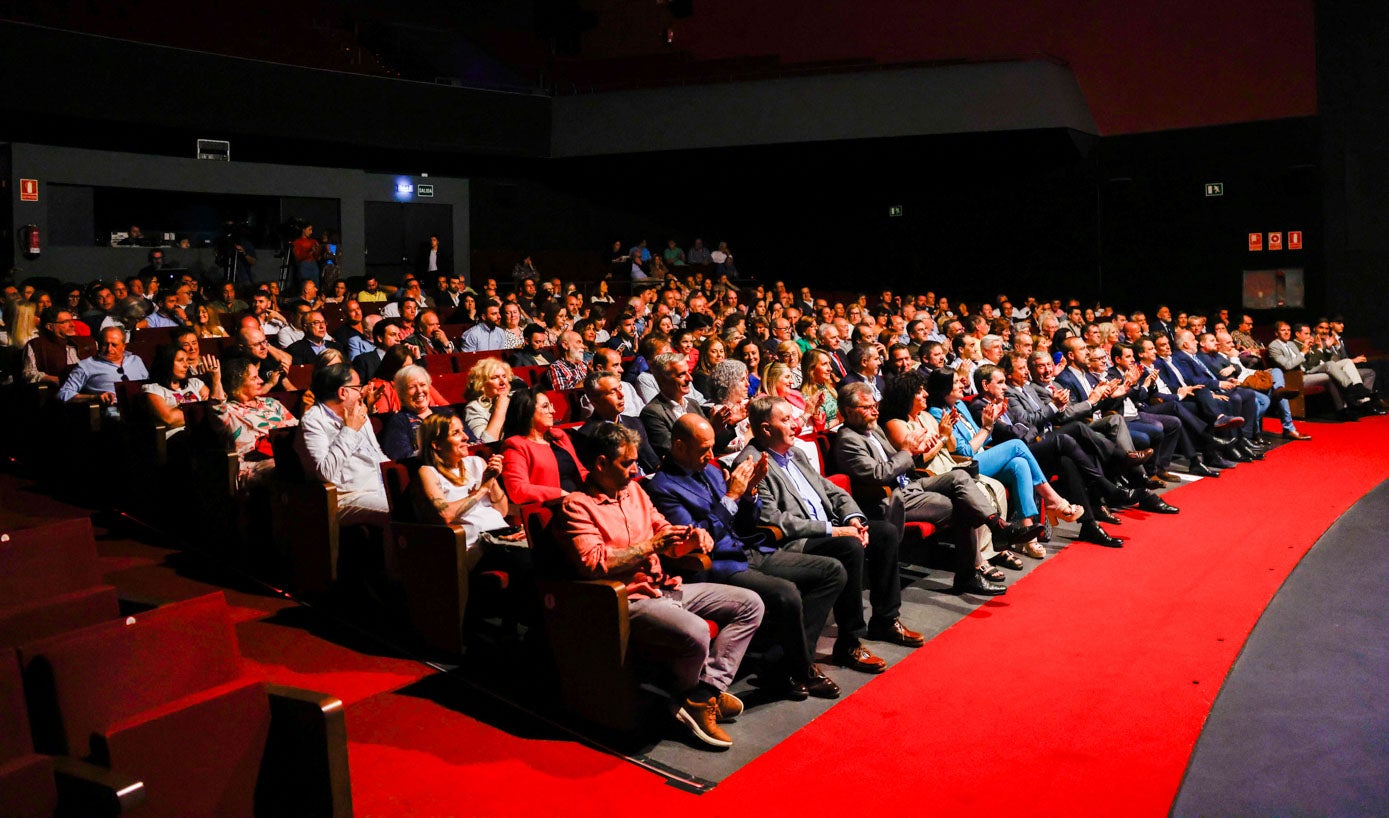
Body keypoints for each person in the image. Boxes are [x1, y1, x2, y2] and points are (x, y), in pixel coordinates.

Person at [552, 422, 764, 749]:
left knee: (750, 604)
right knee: (695, 631)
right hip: (626, 600)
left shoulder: (636, 491)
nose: (636, 469)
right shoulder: (577, 506)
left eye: (636, 460)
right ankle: (690, 698)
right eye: (627, 463)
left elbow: (666, 535)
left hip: (665, 587)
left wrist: (690, 538)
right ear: (601, 464)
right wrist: (651, 546)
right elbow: (595, 563)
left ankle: (702, 693)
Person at [646, 414, 845, 700]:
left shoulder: (711, 470)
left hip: (749, 549)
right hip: (719, 564)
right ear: (679, 446)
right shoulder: (663, 488)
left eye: (713, 447)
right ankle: (802, 669)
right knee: (786, 594)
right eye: (704, 449)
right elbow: (699, 540)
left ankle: (781, 663)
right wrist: (731, 496)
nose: (712, 455)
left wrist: (750, 493)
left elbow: (747, 524)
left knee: (832, 571)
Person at [732, 396, 923, 675]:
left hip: (830, 525)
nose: (796, 424)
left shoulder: (794, 453)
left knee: (884, 532)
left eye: (793, 417)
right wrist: (835, 529)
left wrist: (854, 518)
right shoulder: (751, 463)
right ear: (764, 429)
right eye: (785, 420)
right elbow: (773, 519)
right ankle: (849, 641)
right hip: (793, 541)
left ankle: (885, 619)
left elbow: (832, 490)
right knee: (849, 546)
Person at [834, 381, 1031, 593]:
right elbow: (879, 475)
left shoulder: (873, 430)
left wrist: (913, 451)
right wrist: (908, 452)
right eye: (867, 407)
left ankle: (997, 525)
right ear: (848, 410)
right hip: (891, 498)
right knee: (962, 506)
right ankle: (969, 574)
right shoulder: (848, 440)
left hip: (910, 484)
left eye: (875, 405)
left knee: (959, 477)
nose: (874, 411)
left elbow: (897, 462)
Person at [925, 367, 1084, 532]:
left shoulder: (959, 405)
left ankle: (1027, 533)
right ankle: (1053, 500)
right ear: (944, 388)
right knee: (1017, 445)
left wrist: (989, 425)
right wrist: (987, 427)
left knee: (1019, 463)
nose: (963, 383)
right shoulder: (937, 413)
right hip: (964, 466)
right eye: (956, 381)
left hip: (980, 456)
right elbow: (965, 452)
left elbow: (986, 438)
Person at [294, 364, 391, 530]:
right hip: (349, 496)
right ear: (342, 392)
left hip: (379, 487)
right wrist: (349, 431)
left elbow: (377, 454)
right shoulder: (312, 421)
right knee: (401, 511)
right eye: (357, 387)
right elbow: (324, 472)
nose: (361, 392)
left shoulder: (359, 412)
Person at [212, 356, 299, 488]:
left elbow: (296, 428)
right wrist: (216, 380)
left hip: (287, 456)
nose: (261, 380)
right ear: (238, 383)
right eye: (254, 378)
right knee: (287, 468)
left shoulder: (271, 403)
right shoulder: (229, 411)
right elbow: (217, 406)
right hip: (255, 465)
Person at [499, 388, 587, 506]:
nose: (553, 411)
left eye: (551, 405)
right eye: (545, 406)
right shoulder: (515, 446)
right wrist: (561, 494)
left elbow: (581, 471)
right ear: (528, 411)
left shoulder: (559, 437)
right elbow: (518, 490)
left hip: (582, 501)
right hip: (554, 508)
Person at [57, 326, 150, 418]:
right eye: (105, 344)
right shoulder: (86, 365)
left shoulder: (135, 360)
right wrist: (95, 397)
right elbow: (63, 394)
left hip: (144, 408)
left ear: (123, 346)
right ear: (99, 344)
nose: (109, 349)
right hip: (115, 413)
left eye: (114, 345)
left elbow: (148, 385)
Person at [143, 344, 223, 439]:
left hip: (202, 429)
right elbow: (170, 419)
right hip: (177, 436)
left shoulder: (195, 383)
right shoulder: (154, 389)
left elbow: (219, 408)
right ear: (166, 363)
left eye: (187, 360)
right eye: (180, 360)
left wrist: (216, 379)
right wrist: (203, 410)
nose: (186, 365)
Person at [23, 307, 95, 386]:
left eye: (72, 320)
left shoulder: (86, 342)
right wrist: (57, 380)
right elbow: (29, 374)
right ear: (50, 327)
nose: (72, 325)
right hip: (57, 391)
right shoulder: (37, 345)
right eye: (66, 322)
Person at [463, 357, 514, 443]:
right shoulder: (474, 408)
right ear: (481, 383)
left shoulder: (515, 398)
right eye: (494, 378)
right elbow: (485, 442)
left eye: (504, 376)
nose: (503, 382)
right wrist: (500, 410)